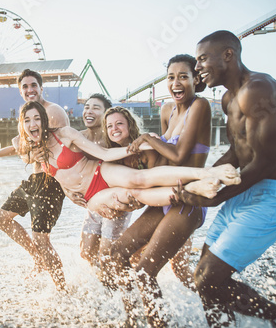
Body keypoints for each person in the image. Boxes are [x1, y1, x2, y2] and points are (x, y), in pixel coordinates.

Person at [171, 30, 276, 328]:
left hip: (273, 194)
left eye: (203, 59)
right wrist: (202, 178)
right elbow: (237, 152)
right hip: (244, 190)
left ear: (228, 55)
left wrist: (213, 197)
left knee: (208, 279)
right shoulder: (229, 98)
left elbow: (265, 162)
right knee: (202, 276)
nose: (197, 67)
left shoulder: (258, 89)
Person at [106, 54, 213, 326]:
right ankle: (133, 319)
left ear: (196, 79)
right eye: (170, 77)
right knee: (117, 254)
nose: (176, 83)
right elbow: (162, 161)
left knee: (144, 271)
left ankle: (159, 324)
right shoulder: (167, 110)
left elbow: (178, 155)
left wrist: (147, 138)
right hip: (162, 198)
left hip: (186, 202)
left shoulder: (199, 106)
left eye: (183, 77)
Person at [18, 100, 240, 217]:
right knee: (134, 194)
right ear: (23, 125)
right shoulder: (32, 154)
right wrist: (68, 192)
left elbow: (104, 154)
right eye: (27, 121)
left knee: (140, 179)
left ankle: (208, 173)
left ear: (44, 120)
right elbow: (58, 178)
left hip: (99, 170)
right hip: (90, 196)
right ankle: (191, 190)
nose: (33, 124)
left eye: (37, 118)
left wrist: (137, 147)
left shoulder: (64, 134)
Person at [0, 69, 70, 291]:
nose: (30, 90)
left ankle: (63, 290)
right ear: (20, 90)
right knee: (1, 219)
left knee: (42, 240)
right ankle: (38, 258)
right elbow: (20, 148)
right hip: (33, 180)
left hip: (51, 183)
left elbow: (68, 149)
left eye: (34, 85)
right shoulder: (28, 114)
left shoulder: (54, 112)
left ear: (42, 88)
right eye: (25, 86)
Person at [76, 94, 133, 267]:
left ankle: (121, 286)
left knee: (108, 255)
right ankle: (102, 285)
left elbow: (133, 172)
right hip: (94, 201)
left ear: (106, 113)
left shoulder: (113, 139)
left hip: (115, 200)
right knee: (86, 251)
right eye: (87, 106)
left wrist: (122, 205)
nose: (89, 111)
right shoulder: (78, 138)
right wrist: (71, 193)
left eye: (95, 107)